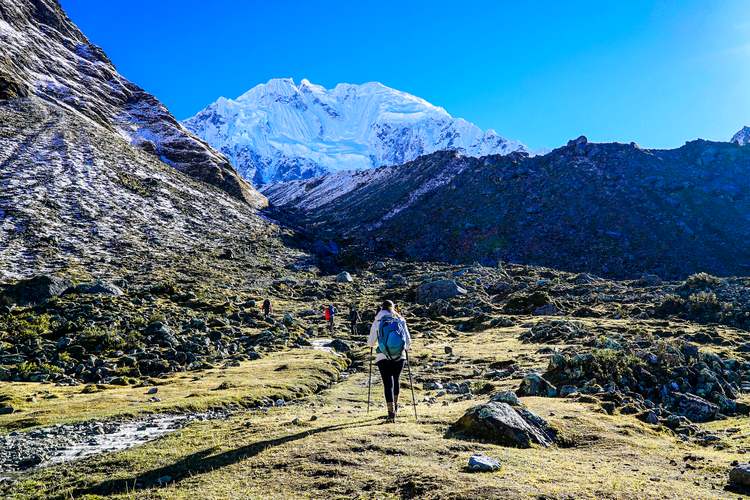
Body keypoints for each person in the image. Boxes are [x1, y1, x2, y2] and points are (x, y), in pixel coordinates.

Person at [368, 300, 411, 422]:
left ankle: (391, 413)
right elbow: (408, 343)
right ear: (393, 308)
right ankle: (396, 408)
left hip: (383, 357)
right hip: (400, 356)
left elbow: (371, 342)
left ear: (381, 308)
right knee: (396, 380)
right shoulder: (400, 320)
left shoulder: (378, 321)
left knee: (388, 383)